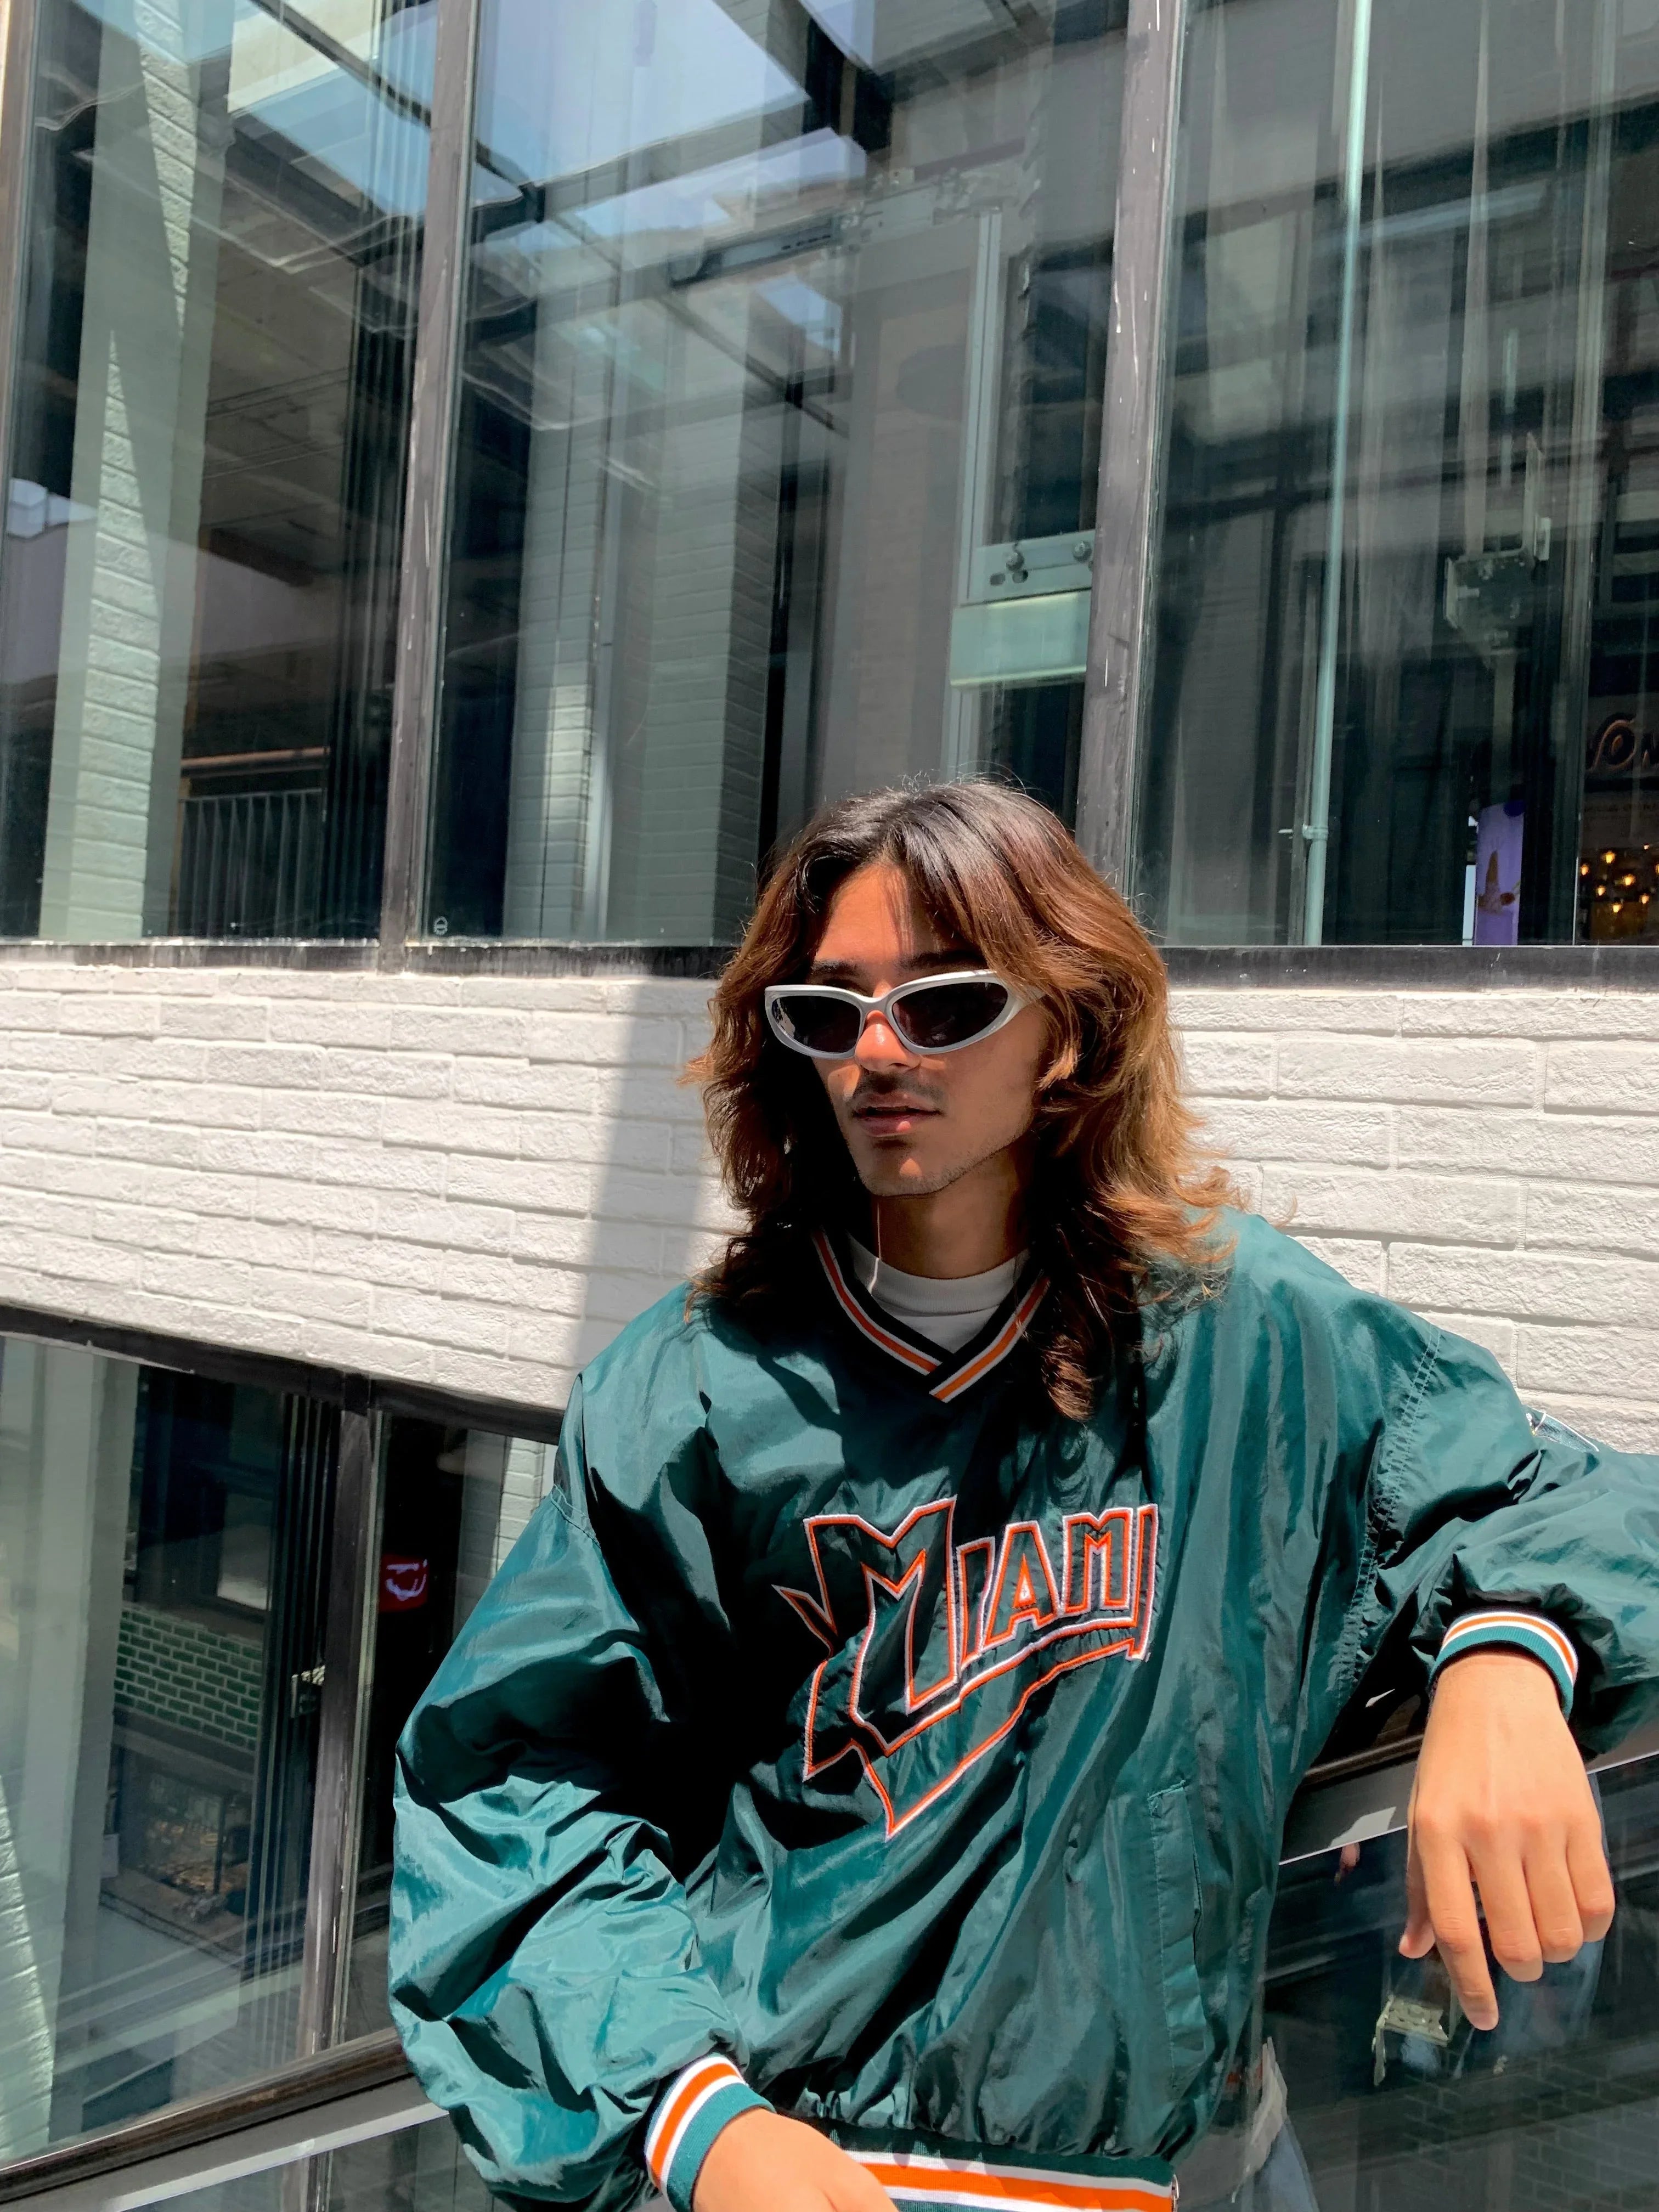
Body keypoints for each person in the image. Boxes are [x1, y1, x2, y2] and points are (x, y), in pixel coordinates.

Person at [388, 783, 1659, 2212]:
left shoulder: (1240, 1334)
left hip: (1196, 2171)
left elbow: (1525, 1485)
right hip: (809, 2170)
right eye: (831, 1013)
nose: (878, 1053)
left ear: (1067, 1028)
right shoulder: (691, 1390)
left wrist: (1507, 1656)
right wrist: (693, 2122)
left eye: (943, 1006)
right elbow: (514, 1784)